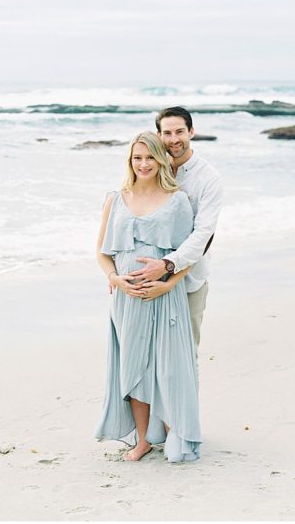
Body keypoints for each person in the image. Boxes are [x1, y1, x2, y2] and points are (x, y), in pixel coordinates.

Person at [94, 132, 202, 462]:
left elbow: (189, 255)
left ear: (160, 160)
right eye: (137, 158)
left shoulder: (177, 200)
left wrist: (168, 284)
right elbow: (102, 253)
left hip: (165, 295)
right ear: (130, 161)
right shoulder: (116, 198)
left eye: (150, 158)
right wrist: (115, 279)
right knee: (133, 367)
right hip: (127, 298)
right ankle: (142, 439)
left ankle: (171, 430)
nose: (144, 164)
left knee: (167, 368)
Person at [128, 107, 223, 353]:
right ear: (159, 136)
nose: (174, 139)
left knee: (185, 353)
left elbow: (204, 235)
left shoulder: (208, 178)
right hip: (148, 278)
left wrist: (168, 265)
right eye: (167, 133)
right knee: (150, 353)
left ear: (191, 132)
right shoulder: (150, 170)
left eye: (180, 131)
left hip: (190, 280)